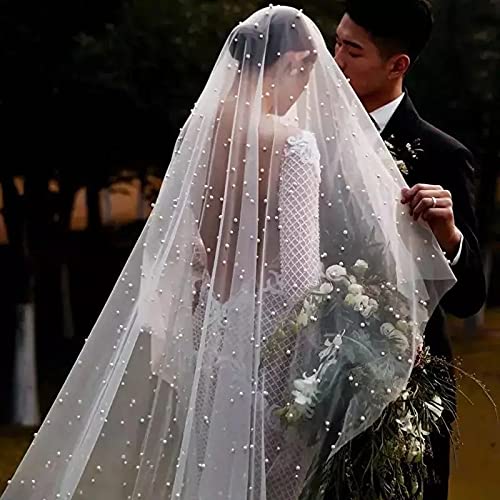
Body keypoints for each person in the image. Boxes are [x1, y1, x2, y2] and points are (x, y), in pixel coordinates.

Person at [1, 6, 456, 499]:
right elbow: (300, 278)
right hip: (274, 349)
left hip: (216, 334)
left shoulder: (202, 131)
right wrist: (340, 339)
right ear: (297, 62)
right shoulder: (292, 144)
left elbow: (192, 250)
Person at [334, 0, 487, 497]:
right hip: (313, 391)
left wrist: (450, 239)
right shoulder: (310, 140)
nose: (335, 60)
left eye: (351, 51)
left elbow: (468, 302)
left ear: (397, 65)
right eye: (336, 41)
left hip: (407, 396)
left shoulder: (443, 156)